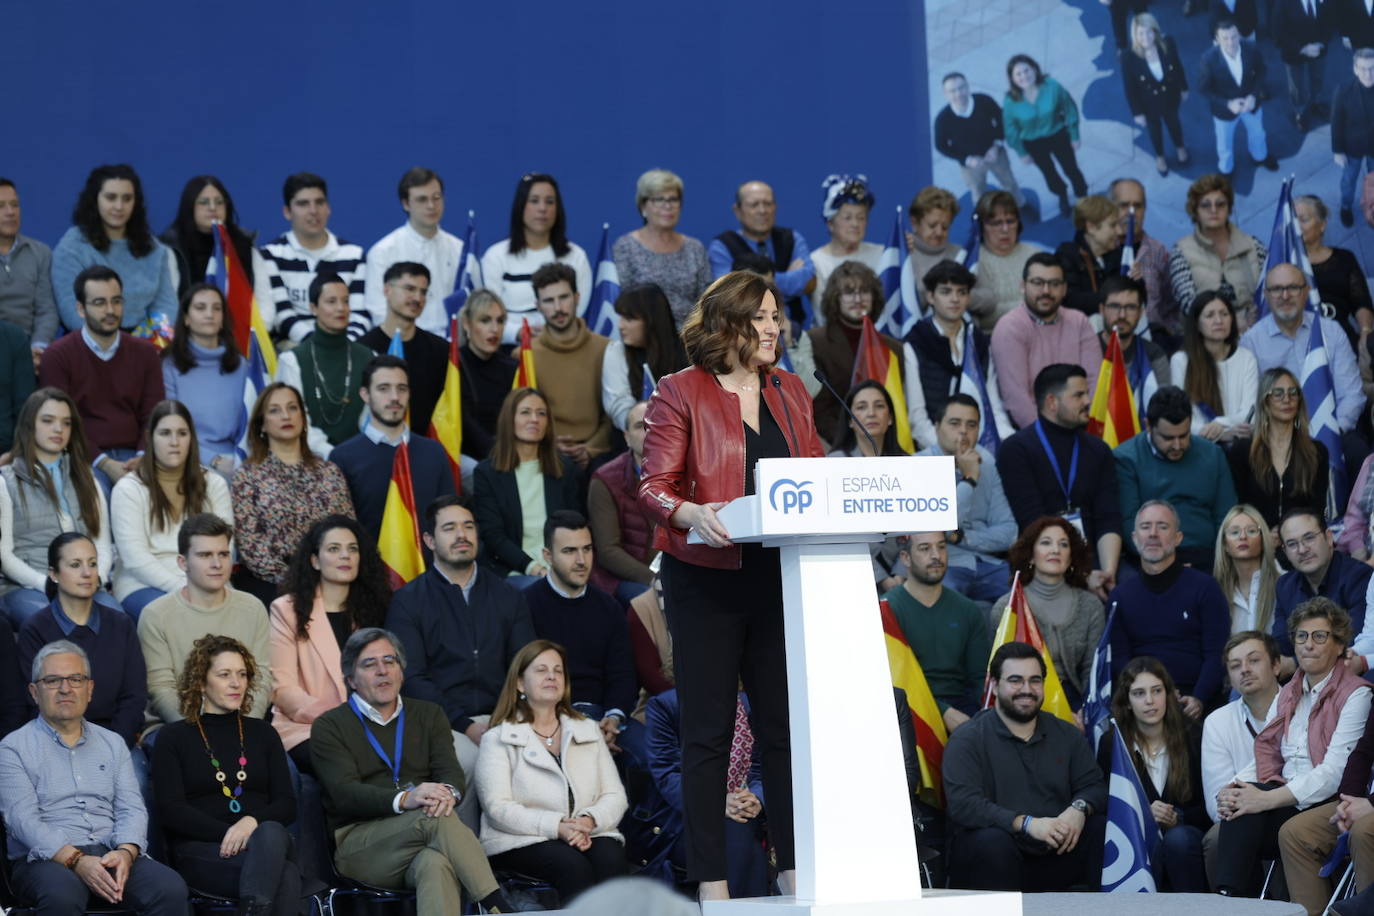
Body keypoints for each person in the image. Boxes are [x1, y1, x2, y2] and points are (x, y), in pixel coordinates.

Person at [638, 270, 825, 901]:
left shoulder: (793, 390)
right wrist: (689, 513)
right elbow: (653, 485)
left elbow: (816, 479)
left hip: (779, 576)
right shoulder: (680, 391)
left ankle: (797, 876)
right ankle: (712, 888)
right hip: (705, 580)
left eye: (777, 317)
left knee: (783, 730)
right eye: (763, 317)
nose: (775, 328)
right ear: (729, 325)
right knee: (708, 734)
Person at [309, 627, 532, 915]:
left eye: (390, 662)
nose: (382, 671)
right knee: (434, 819)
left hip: (423, 834)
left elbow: (450, 774)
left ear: (402, 671)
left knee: (435, 863)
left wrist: (446, 794)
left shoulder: (429, 714)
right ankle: (496, 906)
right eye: (370, 664)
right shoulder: (329, 725)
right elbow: (344, 794)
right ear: (350, 679)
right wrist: (406, 799)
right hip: (360, 844)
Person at [0, 640, 188, 914]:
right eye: (53, 680)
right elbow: (22, 821)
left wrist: (126, 852)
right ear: (34, 692)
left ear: (90, 689)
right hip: (45, 860)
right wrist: (76, 860)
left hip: (110, 851)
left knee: (169, 889)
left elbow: (132, 808)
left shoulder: (112, 743)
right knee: (62, 895)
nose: (66, 688)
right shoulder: (12, 748)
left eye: (76, 679)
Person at [1213, 598, 1371, 898]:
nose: (1307, 644)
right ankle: (1232, 901)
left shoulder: (1356, 694)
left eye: (1319, 636)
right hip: (1287, 795)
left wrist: (1265, 799)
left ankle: (1231, 898)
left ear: (1339, 645)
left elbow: (1334, 773)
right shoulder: (1287, 692)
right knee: (1237, 807)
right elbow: (1266, 750)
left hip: (1328, 800)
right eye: (1301, 636)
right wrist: (1233, 788)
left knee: (1248, 814)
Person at [151, 635, 302, 915]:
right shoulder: (174, 737)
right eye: (224, 674)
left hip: (264, 845)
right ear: (200, 682)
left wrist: (250, 823)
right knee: (287, 874)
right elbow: (172, 811)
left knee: (269, 833)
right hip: (204, 851)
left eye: (242, 674)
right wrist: (233, 834)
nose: (236, 683)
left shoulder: (263, 733)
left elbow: (286, 804)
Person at [386, 495, 535, 776]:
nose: (461, 535)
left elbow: (525, 664)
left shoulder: (507, 595)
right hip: (443, 722)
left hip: (506, 717)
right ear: (429, 541)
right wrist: (466, 725)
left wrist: (509, 717)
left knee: (529, 764)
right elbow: (412, 678)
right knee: (465, 766)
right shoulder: (408, 601)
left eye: (468, 526)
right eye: (449, 528)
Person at [943, 641, 1108, 891]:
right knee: (991, 842)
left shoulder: (1066, 733)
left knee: (1102, 828)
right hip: (996, 854)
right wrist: (1027, 824)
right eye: (1016, 680)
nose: (1026, 689)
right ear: (995, 686)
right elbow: (964, 805)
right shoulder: (967, 739)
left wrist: (1079, 808)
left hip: (1057, 850)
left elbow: (1095, 785)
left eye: (1035, 680)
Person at [475, 639, 629, 904]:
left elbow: (615, 795)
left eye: (558, 671)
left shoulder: (588, 730)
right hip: (520, 838)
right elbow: (497, 808)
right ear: (520, 683)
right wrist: (557, 827)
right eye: (541, 670)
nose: (551, 676)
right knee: (572, 866)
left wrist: (587, 822)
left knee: (611, 858)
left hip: (586, 830)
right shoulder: (498, 738)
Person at [269, 515, 391, 775]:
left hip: (374, 724)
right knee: (349, 763)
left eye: (352, 549)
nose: (345, 556)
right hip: (307, 726)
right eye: (334, 549)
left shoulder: (374, 610)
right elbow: (283, 689)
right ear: (315, 560)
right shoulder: (286, 610)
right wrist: (343, 720)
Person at [138, 513, 273, 732]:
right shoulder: (156, 615)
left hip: (243, 728)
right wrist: (205, 732)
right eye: (205, 555)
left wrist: (243, 728)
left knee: (285, 768)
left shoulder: (253, 608)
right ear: (183, 562)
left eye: (223, 554)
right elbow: (161, 689)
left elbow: (261, 680)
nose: (217, 563)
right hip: (178, 730)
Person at [996, 364, 1122, 596]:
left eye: (1087, 393)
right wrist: (1082, 575)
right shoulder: (1016, 449)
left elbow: (1109, 518)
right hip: (1042, 563)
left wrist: (1107, 574)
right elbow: (1031, 522)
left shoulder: (1099, 450)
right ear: (1052, 402)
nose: (1088, 401)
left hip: (1096, 563)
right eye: (1078, 395)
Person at [38, 265, 164, 493]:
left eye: (116, 301)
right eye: (99, 303)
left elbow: (154, 414)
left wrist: (143, 455)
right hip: (83, 456)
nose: (110, 310)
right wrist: (104, 463)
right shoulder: (57, 356)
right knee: (97, 495)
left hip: (136, 454)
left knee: (152, 495)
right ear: (80, 309)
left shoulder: (145, 353)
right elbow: (63, 424)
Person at [524, 513, 639, 757]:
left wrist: (614, 717)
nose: (581, 560)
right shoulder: (525, 606)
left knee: (655, 756)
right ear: (547, 556)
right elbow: (524, 679)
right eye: (569, 551)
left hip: (605, 716)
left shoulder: (609, 607)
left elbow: (623, 673)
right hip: (548, 718)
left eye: (587, 549)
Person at [230, 382, 355, 605]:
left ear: (303, 418)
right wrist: (299, 582)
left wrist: (325, 574)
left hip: (330, 578)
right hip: (272, 585)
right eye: (275, 410)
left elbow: (346, 530)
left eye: (292, 408)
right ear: (262, 425)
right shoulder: (247, 476)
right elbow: (251, 546)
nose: (286, 415)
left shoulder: (330, 472)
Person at [17, 533, 144, 747]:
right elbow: (32, 703)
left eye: (92, 564)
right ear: (54, 574)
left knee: (137, 779)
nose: (87, 573)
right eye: (75, 565)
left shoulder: (120, 624)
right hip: (53, 744)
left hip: (113, 741)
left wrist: (113, 747)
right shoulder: (35, 629)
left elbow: (134, 697)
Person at [0, 388, 114, 625]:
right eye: (48, 421)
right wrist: (50, 585)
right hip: (27, 586)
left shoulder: (88, 479)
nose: (58, 429)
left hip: (86, 583)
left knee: (117, 621)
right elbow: (4, 556)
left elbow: (101, 543)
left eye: (66, 423)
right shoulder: (5, 481)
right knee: (55, 623)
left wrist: (95, 578)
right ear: (29, 425)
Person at [111, 400, 233, 618]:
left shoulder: (214, 484)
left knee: (244, 615)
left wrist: (202, 585)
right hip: (144, 584)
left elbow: (227, 546)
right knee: (181, 617)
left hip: (209, 581)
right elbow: (135, 558)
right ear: (150, 438)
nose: (174, 441)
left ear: (191, 438)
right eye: (165, 433)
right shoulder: (129, 488)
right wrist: (185, 589)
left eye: (182, 433)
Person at [643, 687, 768, 898]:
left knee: (742, 835)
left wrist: (756, 797)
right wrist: (715, 803)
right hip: (688, 815)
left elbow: (765, 765)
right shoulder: (665, 705)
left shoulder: (751, 703)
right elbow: (667, 774)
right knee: (742, 842)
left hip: (747, 810)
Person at [1109, 501, 1231, 716]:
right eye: (1146, 527)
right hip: (1142, 702)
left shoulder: (1205, 587)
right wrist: (1149, 695)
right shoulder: (1120, 596)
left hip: (1195, 701)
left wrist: (1199, 697)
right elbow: (1120, 659)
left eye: (1163, 526)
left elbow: (1216, 653)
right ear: (1135, 538)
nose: (1153, 534)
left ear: (1178, 538)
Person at [1098, 656, 1209, 891]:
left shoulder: (1194, 735)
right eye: (1139, 693)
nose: (1149, 701)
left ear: (1168, 694)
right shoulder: (1112, 742)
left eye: (1156, 691)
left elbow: (1207, 806)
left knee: (1177, 839)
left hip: (1185, 835)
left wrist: (1177, 817)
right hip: (1133, 837)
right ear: (1127, 701)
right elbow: (1106, 804)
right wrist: (1141, 814)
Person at [329, 354, 457, 542]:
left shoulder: (434, 452)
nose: (395, 397)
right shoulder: (342, 457)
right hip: (368, 567)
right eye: (383, 389)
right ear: (365, 394)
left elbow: (449, 518)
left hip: (428, 567)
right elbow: (340, 530)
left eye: (402, 389)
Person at [1241, 263, 1366, 447]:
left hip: (1334, 430)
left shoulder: (1331, 331)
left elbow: (1352, 394)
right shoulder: (1251, 341)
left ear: (1306, 291)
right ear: (1266, 295)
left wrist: (1332, 430)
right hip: (1276, 438)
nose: (1285, 296)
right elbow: (1253, 403)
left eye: (1293, 287)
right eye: (1276, 289)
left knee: (1357, 452)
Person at [1114, 386, 1237, 570]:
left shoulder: (1213, 454)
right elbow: (1129, 522)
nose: (1178, 445)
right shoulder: (1126, 458)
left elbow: (1227, 516)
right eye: (1168, 438)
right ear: (1148, 425)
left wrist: (1223, 559)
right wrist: (1165, 560)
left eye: (1184, 436)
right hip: (1151, 558)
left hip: (1208, 556)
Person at [990, 518, 1107, 708]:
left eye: (1063, 544)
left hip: (1077, 700)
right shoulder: (1007, 607)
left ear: (1071, 557)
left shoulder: (1091, 606)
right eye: (1046, 543)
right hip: (1024, 700)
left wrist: (1088, 712)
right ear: (1030, 555)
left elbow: (1092, 671)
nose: (1055, 550)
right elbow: (1001, 676)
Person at [472, 387, 583, 583]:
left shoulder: (566, 469)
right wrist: (535, 568)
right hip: (513, 570)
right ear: (509, 419)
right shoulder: (487, 473)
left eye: (541, 413)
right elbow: (493, 536)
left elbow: (575, 526)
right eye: (525, 412)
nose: (534, 419)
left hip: (561, 567)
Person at [51, 163, 177, 334]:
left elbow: (166, 308)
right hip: (90, 344)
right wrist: (112, 344)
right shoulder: (72, 247)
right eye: (111, 197)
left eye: (127, 199)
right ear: (95, 200)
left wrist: (144, 345)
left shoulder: (154, 248)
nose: (119, 206)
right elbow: (72, 312)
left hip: (146, 346)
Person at [882, 532, 989, 731]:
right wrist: (942, 712)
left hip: (962, 708)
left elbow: (979, 680)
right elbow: (892, 682)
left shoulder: (967, 610)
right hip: (907, 708)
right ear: (905, 558)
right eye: (925, 548)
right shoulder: (887, 610)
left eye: (941, 547)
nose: (936, 555)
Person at [903, 259, 1015, 450]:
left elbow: (993, 407)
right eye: (946, 292)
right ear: (930, 297)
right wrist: (952, 452)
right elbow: (917, 420)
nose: (955, 299)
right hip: (933, 450)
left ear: (968, 298)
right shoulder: (915, 342)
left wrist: (1011, 442)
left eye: (961, 292)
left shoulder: (979, 342)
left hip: (980, 445)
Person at [917, 394, 1017, 602]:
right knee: (946, 598)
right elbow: (943, 525)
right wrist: (970, 479)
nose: (963, 431)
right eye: (954, 423)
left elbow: (1009, 532)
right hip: (946, 565)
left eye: (971, 425)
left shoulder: (986, 462)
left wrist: (961, 538)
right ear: (937, 428)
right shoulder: (919, 465)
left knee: (1024, 594)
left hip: (988, 563)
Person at [1201, 631, 1281, 885]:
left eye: (1254, 660)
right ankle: (1233, 907)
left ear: (1276, 665)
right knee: (1216, 839)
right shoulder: (1217, 721)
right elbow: (1216, 804)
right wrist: (1242, 800)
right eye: (1235, 666)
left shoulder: (1301, 707)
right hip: (1239, 816)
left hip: (1293, 806)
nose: (1244, 670)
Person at [989, 255, 1100, 429]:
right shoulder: (1010, 327)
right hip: (1031, 433)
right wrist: (1048, 439)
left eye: (1054, 284)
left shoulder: (1079, 322)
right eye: (1038, 283)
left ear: (1064, 289)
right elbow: (1016, 399)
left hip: (1081, 426)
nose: (1046, 291)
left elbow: (1095, 383)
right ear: (1023, 286)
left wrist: (1085, 427)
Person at [481, 172, 593, 343]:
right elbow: (487, 314)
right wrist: (519, 333)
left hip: (563, 347)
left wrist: (552, 333)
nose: (542, 208)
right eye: (534, 201)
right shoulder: (496, 256)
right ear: (520, 206)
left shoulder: (576, 256)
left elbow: (579, 310)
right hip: (510, 352)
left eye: (550, 202)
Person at [257, 172, 368, 343]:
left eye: (319, 202)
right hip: (293, 350)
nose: (313, 211)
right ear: (287, 212)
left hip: (346, 347)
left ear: (328, 208)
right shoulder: (269, 255)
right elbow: (282, 315)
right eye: (303, 204)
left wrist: (344, 348)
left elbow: (360, 315)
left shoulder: (354, 255)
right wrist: (318, 347)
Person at [274, 272, 374, 452]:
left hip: (361, 459)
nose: (341, 308)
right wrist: (332, 455)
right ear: (313, 308)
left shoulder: (369, 357)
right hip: (308, 461)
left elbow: (373, 418)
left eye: (345, 301)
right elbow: (292, 420)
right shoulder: (292, 360)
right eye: (331, 301)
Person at [806, 260, 902, 443]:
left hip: (886, 447)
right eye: (849, 292)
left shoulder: (894, 349)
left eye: (864, 291)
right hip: (834, 446)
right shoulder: (814, 341)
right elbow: (819, 408)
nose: (858, 299)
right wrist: (853, 446)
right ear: (836, 297)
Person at [161, 283, 250, 476]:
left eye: (217, 308)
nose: (210, 314)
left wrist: (239, 460)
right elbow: (169, 427)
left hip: (237, 458)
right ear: (185, 318)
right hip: (185, 458)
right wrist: (213, 460)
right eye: (200, 308)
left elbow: (250, 421)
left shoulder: (241, 365)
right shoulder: (169, 365)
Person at [363, 167, 464, 335]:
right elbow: (379, 310)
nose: (431, 206)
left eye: (436, 198)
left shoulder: (460, 250)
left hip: (452, 347)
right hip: (402, 342)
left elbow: (473, 304)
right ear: (406, 204)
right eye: (422, 200)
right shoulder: (383, 252)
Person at [1227, 368, 1330, 530]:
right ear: (1265, 401)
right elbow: (1237, 508)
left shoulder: (1317, 452)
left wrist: (1288, 535)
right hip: (1256, 540)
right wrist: (1263, 534)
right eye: (1278, 393)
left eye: (1293, 393)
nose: (1287, 399)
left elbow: (1316, 511)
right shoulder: (1243, 450)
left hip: (1300, 542)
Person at [530, 263, 611, 467]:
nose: (558, 308)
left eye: (564, 297)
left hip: (599, 456)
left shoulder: (606, 349)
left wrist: (590, 449)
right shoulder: (526, 355)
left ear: (577, 297)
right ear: (538, 306)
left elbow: (614, 415)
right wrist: (547, 442)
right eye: (549, 300)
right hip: (546, 454)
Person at [1271, 508, 1372, 665]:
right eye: (1292, 544)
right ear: (1284, 551)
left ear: (1329, 537)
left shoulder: (1359, 577)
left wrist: (1294, 663)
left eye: (1309, 538)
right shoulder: (1285, 585)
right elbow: (1282, 643)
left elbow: (1351, 642)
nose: (1302, 549)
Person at [613, 169, 712, 328]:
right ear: (643, 206)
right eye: (659, 200)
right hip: (645, 338)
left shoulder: (695, 248)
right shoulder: (625, 246)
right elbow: (625, 300)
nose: (668, 206)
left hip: (689, 339)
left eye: (673, 199)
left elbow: (706, 301)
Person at [708, 181, 814, 327]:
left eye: (768, 203)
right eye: (754, 205)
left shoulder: (792, 238)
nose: (763, 210)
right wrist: (787, 279)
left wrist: (751, 284)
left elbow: (808, 281)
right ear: (737, 211)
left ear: (775, 207)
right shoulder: (722, 246)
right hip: (746, 334)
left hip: (793, 333)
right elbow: (729, 294)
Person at [359, 261, 449, 435]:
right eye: (409, 289)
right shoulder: (363, 349)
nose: (417, 298)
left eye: (423, 292)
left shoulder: (441, 350)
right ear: (387, 290)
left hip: (428, 448)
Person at [1169, 173, 1268, 329]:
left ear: (1229, 208)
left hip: (1255, 330)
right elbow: (1188, 306)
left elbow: (1269, 293)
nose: (1213, 210)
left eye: (1220, 204)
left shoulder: (1254, 246)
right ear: (1195, 210)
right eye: (1205, 205)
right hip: (1203, 339)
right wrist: (1234, 322)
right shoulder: (1181, 251)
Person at [1001, 55, 1087, 219]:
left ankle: (1082, 194)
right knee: (1049, 173)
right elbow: (1010, 130)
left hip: (1057, 134)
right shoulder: (1010, 101)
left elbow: (1069, 108)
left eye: (1026, 70)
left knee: (1071, 168)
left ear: (1034, 69)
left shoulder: (1052, 86)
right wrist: (1022, 152)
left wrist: (1074, 134)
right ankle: (1062, 195)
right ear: (1012, 78)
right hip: (1033, 143)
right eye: (1018, 74)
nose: (1024, 76)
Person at [588, 401, 657, 603]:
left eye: (655, 423)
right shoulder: (605, 480)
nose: (648, 431)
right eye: (639, 426)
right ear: (626, 437)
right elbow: (608, 552)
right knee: (652, 600)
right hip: (627, 579)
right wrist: (653, 578)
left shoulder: (687, 471)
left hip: (677, 573)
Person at [1170, 289, 1259, 441]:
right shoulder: (1181, 360)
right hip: (1197, 443)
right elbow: (1181, 416)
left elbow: (1250, 412)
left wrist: (1220, 423)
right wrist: (1222, 434)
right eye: (1210, 315)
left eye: (1224, 314)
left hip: (1240, 443)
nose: (1219, 320)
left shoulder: (1246, 357)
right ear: (1197, 323)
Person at [601, 284, 688, 432]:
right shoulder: (616, 352)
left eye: (629, 319)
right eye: (620, 317)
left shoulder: (688, 350)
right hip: (635, 440)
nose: (620, 325)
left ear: (651, 320)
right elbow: (619, 407)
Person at [932, 73, 1026, 211]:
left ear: (968, 87)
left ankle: (1020, 206)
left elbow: (1002, 120)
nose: (958, 94)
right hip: (971, 166)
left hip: (996, 155)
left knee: (1009, 183)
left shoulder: (984, 101)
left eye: (961, 87)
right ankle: (982, 217)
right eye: (952, 91)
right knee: (977, 192)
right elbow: (941, 145)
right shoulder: (942, 120)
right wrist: (966, 159)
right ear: (945, 94)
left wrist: (996, 144)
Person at [1198, 20, 1278, 178]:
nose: (1230, 42)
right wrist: (1228, 103)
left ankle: (1260, 157)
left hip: (1250, 103)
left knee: (1258, 134)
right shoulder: (1208, 59)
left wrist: (1254, 95)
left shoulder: (1251, 49)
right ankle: (1226, 169)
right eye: (1225, 38)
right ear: (1217, 39)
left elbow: (1261, 71)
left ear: (1240, 35)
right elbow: (1203, 89)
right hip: (1224, 110)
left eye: (1234, 37)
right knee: (1224, 142)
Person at [159, 175, 258, 300]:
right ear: (190, 206)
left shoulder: (243, 243)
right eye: (204, 202)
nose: (212, 208)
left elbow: (262, 298)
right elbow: (166, 301)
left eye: (219, 202)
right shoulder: (170, 247)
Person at [1296, 194, 1372, 348]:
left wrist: (1365, 334)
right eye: (1293, 221)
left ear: (1322, 225)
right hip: (1301, 343)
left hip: (1342, 341)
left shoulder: (1345, 259)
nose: (1297, 226)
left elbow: (1361, 303)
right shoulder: (1285, 265)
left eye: (1303, 220)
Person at [1109, 177, 1180, 338]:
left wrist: (1164, 334)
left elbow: (1172, 304)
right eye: (1124, 205)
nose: (1131, 212)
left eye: (1138, 206)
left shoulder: (1158, 251)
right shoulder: (1101, 249)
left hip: (1151, 347)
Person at [1121, 13, 1191, 176]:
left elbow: (1178, 67)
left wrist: (1184, 87)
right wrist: (1137, 113)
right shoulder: (1128, 57)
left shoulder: (1168, 43)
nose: (1146, 37)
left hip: (1170, 96)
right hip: (1148, 103)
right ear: (1135, 35)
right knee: (1154, 129)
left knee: (1174, 122)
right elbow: (1129, 88)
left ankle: (1180, 147)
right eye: (1141, 33)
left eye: (1149, 32)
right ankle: (1160, 156)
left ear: (1155, 31)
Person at [1097, 275, 1171, 423]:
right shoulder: (1086, 349)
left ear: (1141, 312)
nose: (1122, 315)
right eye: (1114, 306)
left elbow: (1164, 408)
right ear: (1102, 309)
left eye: (1130, 307)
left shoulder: (1154, 354)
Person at [967, 191, 1043, 331]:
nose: (1005, 229)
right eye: (996, 223)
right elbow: (982, 319)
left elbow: (1051, 305)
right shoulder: (973, 263)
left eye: (1010, 221)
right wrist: (1030, 308)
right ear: (981, 226)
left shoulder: (1036, 256)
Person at [0, 178, 58, 359]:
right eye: (1, 206)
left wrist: (38, 347)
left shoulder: (40, 252)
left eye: (15, 205)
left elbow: (46, 310)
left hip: (28, 349)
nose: (10, 212)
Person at [458, 289, 517, 463]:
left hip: (508, 455)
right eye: (485, 320)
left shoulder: (513, 368)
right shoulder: (453, 367)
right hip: (468, 458)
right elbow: (465, 423)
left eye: (500, 321)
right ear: (467, 324)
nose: (494, 329)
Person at [810, 175, 883, 311]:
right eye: (847, 218)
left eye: (861, 217)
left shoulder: (883, 254)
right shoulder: (814, 263)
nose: (855, 224)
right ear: (830, 223)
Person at [1213, 505, 1280, 633]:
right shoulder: (1215, 591)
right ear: (1225, 545)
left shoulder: (1284, 584)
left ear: (1263, 539)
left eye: (1251, 530)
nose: (1243, 537)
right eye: (1234, 532)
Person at [1273, 0, 1336, 131]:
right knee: (1297, 85)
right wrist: (1302, 49)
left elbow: (1330, 21)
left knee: (1318, 78)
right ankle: (1300, 112)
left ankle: (1316, 102)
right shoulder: (1282, 2)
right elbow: (1277, 31)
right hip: (1294, 51)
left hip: (1318, 48)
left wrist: (1322, 43)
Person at [1055, 196, 1124, 315]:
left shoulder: (1119, 255)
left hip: (1114, 331)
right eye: (1113, 225)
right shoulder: (1067, 255)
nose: (1120, 231)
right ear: (1091, 227)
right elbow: (1069, 300)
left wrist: (1136, 282)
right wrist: (1112, 299)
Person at [902, 187, 965, 315]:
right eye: (932, 225)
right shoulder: (902, 254)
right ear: (914, 222)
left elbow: (988, 300)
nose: (939, 232)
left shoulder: (961, 255)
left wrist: (960, 295)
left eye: (945, 227)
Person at [1332, 49, 1374, 229]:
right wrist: (1338, 150)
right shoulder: (1343, 90)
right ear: (1355, 69)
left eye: (1372, 68)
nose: (1368, 74)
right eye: (1363, 69)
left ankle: (1372, 206)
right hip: (1352, 147)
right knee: (1349, 180)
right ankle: (1346, 206)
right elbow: (1336, 122)